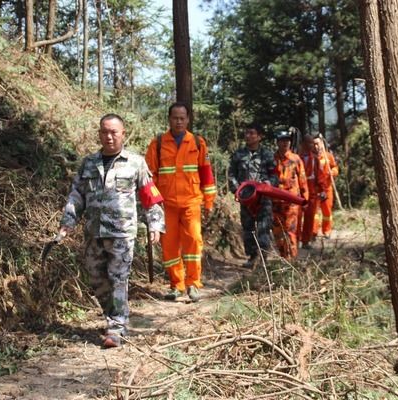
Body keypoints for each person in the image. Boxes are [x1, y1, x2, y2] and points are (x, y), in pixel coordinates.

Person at [58, 113, 165, 348]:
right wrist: (68, 221)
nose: (109, 137)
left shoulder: (135, 163)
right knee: (97, 279)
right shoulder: (88, 164)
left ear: (123, 134)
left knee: (118, 279)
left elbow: (150, 196)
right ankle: (115, 317)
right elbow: (77, 195)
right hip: (93, 232)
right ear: (99, 134)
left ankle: (116, 328)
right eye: (104, 132)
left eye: (114, 132)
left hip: (122, 234)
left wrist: (155, 224)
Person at [145, 102, 217, 302]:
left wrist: (209, 201)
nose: (178, 121)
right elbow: (149, 177)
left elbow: (206, 174)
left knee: (193, 241)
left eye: (182, 118)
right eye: (175, 117)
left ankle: (193, 284)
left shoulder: (197, 142)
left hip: (191, 202)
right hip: (166, 205)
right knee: (169, 246)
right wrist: (152, 204)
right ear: (169, 119)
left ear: (188, 119)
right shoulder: (157, 143)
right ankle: (176, 284)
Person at [228, 123, 278, 268]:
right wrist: (236, 190)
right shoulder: (238, 154)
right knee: (248, 227)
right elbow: (232, 174)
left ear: (260, 136)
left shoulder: (267, 154)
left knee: (264, 226)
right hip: (246, 197)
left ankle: (263, 257)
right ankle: (252, 256)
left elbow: (275, 174)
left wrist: (269, 183)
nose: (248, 136)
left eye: (252, 133)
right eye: (247, 133)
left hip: (263, 198)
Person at [272, 130, 308, 259]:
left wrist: (305, 200)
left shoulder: (295, 159)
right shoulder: (272, 159)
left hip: (291, 202)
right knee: (278, 233)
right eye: (282, 140)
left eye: (287, 140)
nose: (285, 143)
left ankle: (292, 260)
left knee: (291, 232)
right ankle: (283, 258)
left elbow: (303, 181)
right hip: (275, 203)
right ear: (277, 142)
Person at [301, 133, 339, 247]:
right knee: (313, 213)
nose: (316, 146)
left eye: (317, 144)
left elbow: (335, 167)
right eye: (314, 144)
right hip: (313, 190)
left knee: (327, 211)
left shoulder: (328, 156)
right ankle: (313, 232)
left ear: (322, 143)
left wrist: (333, 172)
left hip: (326, 187)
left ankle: (326, 231)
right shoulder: (306, 158)